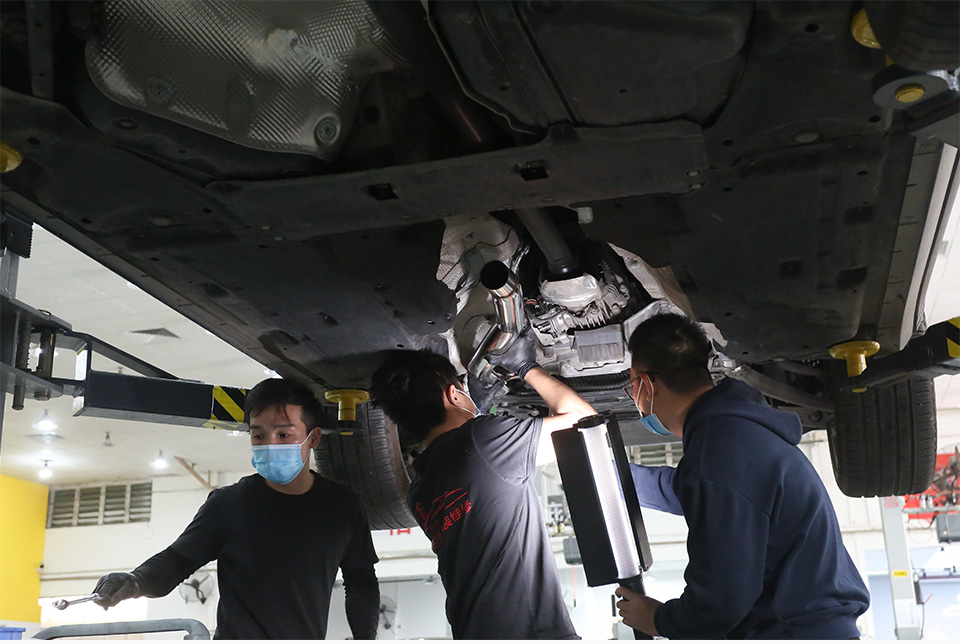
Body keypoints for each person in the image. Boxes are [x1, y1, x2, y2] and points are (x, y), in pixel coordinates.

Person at [614, 313, 869, 639]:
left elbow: (720, 600)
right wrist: (610, 476)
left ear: (645, 386)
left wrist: (659, 620)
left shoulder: (717, 452)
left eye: (632, 387)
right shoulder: (736, 434)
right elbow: (685, 490)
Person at [91, 378, 380, 639]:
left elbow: (361, 580)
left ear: (313, 438)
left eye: (284, 435)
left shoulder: (342, 507)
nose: (270, 445)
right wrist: (136, 580)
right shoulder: (229, 504)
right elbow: (176, 562)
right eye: (258, 436)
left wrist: (365, 637)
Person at [370, 329, 594, 639]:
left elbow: (480, 472)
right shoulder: (476, 446)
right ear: (454, 395)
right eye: (463, 391)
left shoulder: (422, 488)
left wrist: (481, 415)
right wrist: (525, 367)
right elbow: (588, 427)